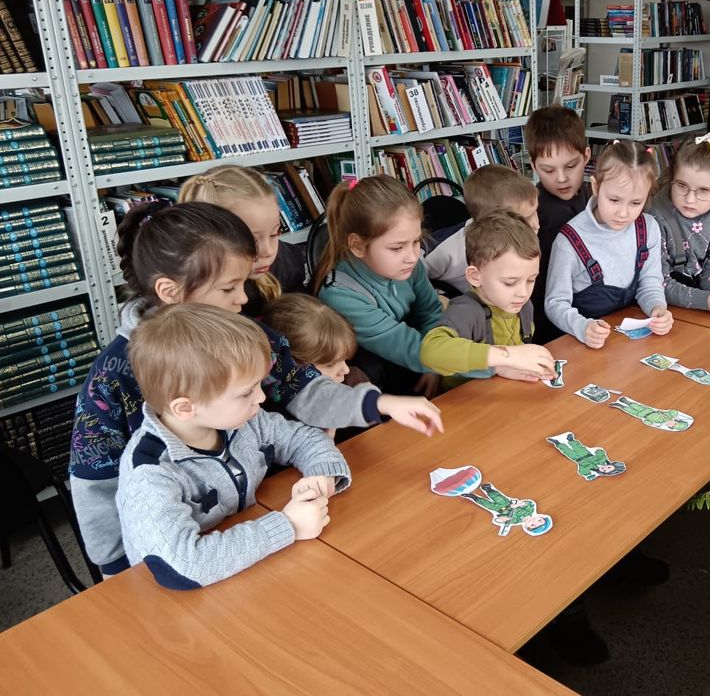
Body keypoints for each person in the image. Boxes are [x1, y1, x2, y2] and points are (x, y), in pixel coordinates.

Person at [70, 202, 441, 576]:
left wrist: (378, 404)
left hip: (252, 522)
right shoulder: (112, 378)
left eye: (243, 283)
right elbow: (96, 485)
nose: (244, 298)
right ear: (171, 290)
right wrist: (116, 575)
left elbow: (303, 393)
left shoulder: (241, 336)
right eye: (229, 287)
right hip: (184, 559)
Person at [118, 304, 349, 589]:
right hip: (187, 597)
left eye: (259, 384)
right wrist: (287, 525)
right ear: (186, 408)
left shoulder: (241, 420)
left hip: (247, 568)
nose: (261, 398)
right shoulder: (151, 473)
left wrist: (321, 473)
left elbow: (304, 438)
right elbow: (182, 566)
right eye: (246, 392)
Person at [312, 176, 443, 396]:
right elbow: (405, 346)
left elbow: (430, 313)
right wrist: (487, 361)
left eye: (415, 241)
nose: (413, 257)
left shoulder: (408, 266)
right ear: (357, 246)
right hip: (372, 382)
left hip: (412, 358)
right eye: (397, 248)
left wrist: (435, 367)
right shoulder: (339, 295)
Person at [545, 139, 673, 347]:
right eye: (614, 200)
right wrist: (582, 327)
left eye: (635, 203)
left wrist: (657, 308)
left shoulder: (648, 228)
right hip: (582, 344)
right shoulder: (568, 242)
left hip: (625, 344)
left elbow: (649, 283)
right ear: (596, 186)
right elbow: (555, 303)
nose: (623, 213)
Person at [420, 210, 555, 387]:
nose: (523, 292)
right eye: (510, 282)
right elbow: (431, 351)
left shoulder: (523, 306)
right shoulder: (466, 311)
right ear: (475, 276)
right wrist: (507, 355)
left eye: (531, 280)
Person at [178, 165, 305, 318]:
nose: (268, 251)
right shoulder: (199, 295)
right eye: (252, 241)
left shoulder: (286, 263)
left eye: (274, 234)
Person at [648, 131, 710, 321]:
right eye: (681, 185)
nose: (690, 199)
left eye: (704, 190)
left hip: (691, 310)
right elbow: (656, 284)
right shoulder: (655, 215)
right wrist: (706, 300)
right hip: (662, 312)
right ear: (671, 176)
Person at [525, 105, 592, 343]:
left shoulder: (597, 198)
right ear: (533, 166)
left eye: (571, 166)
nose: (561, 178)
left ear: (586, 155)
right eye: (548, 170)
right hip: (547, 324)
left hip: (592, 314)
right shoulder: (531, 212)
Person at [424, 164, 539, 295]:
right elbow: (415, 280)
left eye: (535, 212)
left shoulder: (524, 237)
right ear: (491, 222)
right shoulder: (447, 250)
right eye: (524, 219)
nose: (536, 225)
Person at [261, 293, 359, 438]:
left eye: (345, 360)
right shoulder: (277, 421)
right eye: (330, 364)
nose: (345, 370)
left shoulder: (353, 381)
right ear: (292, 367)